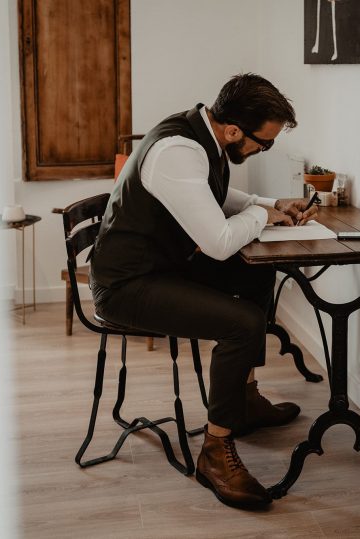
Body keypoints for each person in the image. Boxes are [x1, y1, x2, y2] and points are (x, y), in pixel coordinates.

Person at [89, 73, 318, 508]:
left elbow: (212, 191)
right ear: (233, 130)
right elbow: (217, 244)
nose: (260, 151)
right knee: (242, 323)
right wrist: (264, 217)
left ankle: (243, 400)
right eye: (262, 143)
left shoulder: (200, 134)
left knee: (255, 275)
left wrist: (269, 204)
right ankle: (215, 451)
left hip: (161, 267)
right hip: (126, 285)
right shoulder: (177, 151)